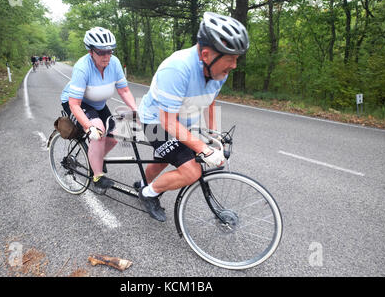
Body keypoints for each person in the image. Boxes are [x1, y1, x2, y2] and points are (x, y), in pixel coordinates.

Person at [135, 12, 249, 222]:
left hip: (180, 121)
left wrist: (212, 134)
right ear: (206, 55)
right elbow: (167, 121)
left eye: (237, 59)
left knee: (164, 159)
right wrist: (203, 149)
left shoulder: (218, 70)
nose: (234, 65)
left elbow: (210, 101)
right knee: (191, 171)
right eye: (231, 59)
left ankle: (142, 183)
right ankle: (147, 194)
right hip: (156, 121)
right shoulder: (177, 68)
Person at [60, 27, 137, 191]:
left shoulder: (114, 63)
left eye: (110, 51)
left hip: (99, 104)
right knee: (99, 132)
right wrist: (88, 127)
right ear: (91, 51)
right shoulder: (82, 67)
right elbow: (74, 104)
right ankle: (97, 177)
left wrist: (136, 110)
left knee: (115, 136)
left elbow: (123, 90)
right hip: (77, 103)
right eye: (101, 52)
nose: (107, 56)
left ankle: (95, 158)